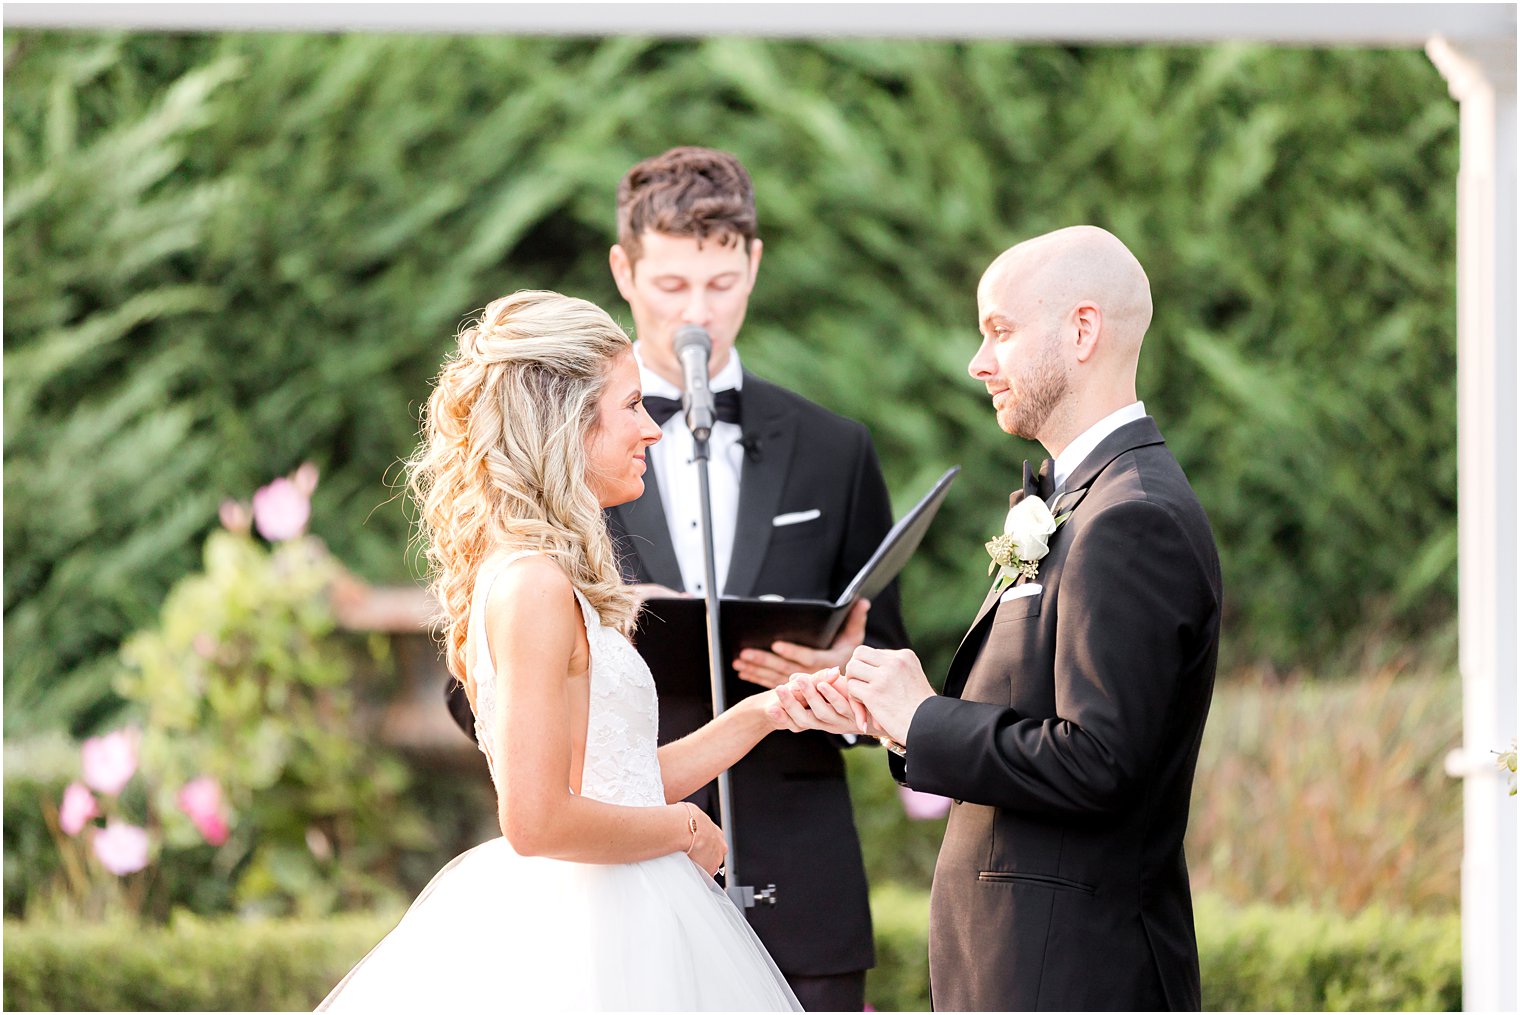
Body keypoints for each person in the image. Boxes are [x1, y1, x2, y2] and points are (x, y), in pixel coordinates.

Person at [773, 226, 1223, 1011]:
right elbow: (1037, 724)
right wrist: (890, 713)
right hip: (1019, 969)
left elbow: (1103, 763)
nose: (978, 363)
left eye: (1000, 332)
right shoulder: (1075, 502)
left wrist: (927, 719)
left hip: (1076, 978)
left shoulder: (1131, 517)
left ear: (1083, 331)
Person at [322, 290, 801, 1011]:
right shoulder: (532, 586)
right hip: (592, 930)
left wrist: (766, 712)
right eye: (632, 405)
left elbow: (621, 781)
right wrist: (686, 828)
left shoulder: (548, 577)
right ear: (569, 421)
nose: (652, 429)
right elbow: (536, 818)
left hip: (623, 905)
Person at [605, 146, 912, 1011]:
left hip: (800, 890)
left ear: (755, 266)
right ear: (624, 271)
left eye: (721, 284)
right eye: (671, 287)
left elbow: (885, 646)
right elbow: (473, 685)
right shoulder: (559, 453)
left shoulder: (835, 449)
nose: (697, 314)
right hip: (617, 884)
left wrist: (844, 680)